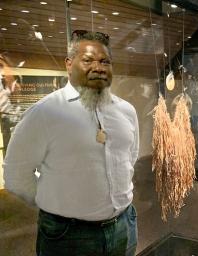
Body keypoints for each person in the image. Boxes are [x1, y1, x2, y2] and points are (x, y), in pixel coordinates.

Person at [3, 30, 139, 256]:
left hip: (124, 226)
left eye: (105, 61)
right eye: (88, 60)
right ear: (69, 64)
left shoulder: (126, 110)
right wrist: (56, 203)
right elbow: (16, 175)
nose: (98, 67)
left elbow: (129, 158)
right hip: (69, 235)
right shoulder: (46, 112)